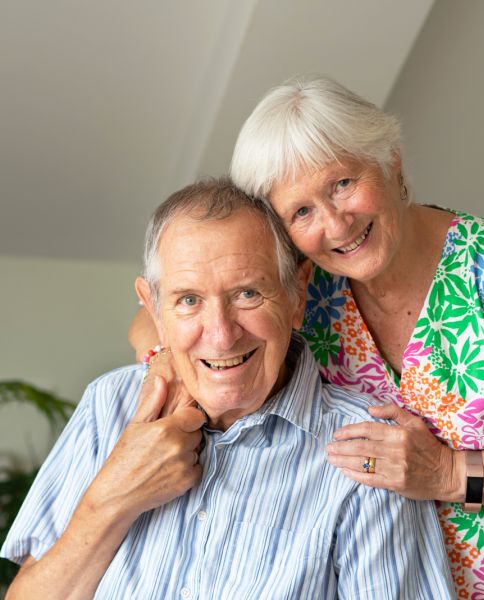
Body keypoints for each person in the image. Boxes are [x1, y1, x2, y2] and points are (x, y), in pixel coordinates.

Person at [130, 76, 484, 598]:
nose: (336, 225)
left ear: (391, 161)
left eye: (342, 183)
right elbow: (156, 313)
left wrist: (450, 473)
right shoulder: (308, 288)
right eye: (302, 211)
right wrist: (164, 363)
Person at [1, 178, 456, 599]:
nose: (220, 334)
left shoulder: (369, 450)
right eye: (189, 300)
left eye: (247, 294)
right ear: (154, 309)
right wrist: (111, 501)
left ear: (297, 295)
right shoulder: (109, 404)